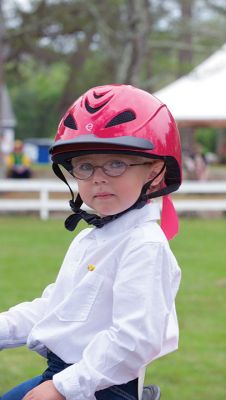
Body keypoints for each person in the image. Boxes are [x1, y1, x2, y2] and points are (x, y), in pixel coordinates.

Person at [0, 84, 182, 400]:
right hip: (64, 375)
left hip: (101, 385)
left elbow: (134, 339)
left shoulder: (143, 246)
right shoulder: (91, 238)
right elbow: (56, 308)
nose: (98, 178)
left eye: (116, 164)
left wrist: (62, 388)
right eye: (85, 166)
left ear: (154, 171)